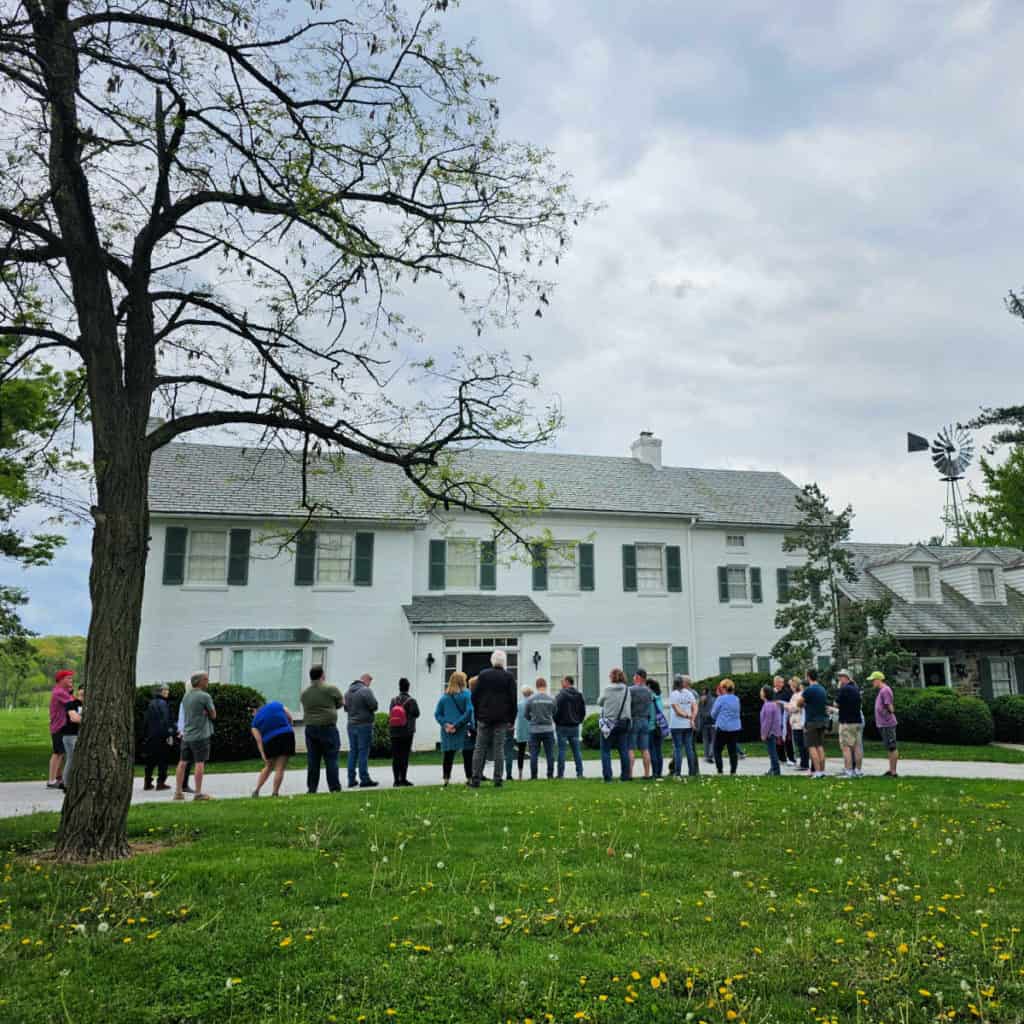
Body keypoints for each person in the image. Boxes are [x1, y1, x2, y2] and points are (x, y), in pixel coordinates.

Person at [469, 649, 517, 788]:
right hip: (502, 718)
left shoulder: (483, 675)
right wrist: (512, 719)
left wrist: (478, 713)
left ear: (492, 661)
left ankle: (475, 779)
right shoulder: (509, 677)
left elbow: (475, 696)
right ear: (504, 662)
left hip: (484, 717)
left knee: (479, 748)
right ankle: (498, 779)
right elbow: (513, 700)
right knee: (499, 748)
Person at [299, 664, 344, 794]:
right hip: (328, 728)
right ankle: (334, 788)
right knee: (331, 759)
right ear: (322, 675)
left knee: (313, 760)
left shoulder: (305, 693)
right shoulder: (331, 689)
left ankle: (312, 788)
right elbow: (341, 703)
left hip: (310, 728)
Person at [174, 671, 216, 801]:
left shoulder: (186, 697)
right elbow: (213, 714)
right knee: (199, 762)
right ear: (200, 681)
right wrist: (206, 712)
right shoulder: (205, 696)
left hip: (187, 735)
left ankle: (178, 792)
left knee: (182, 762)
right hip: (201, 735)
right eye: (206, 679)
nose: (208, 681)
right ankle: (198, 793)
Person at [435, 671, 474, 786]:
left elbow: (437, 714)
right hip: (462, 729)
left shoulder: (444, 697)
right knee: (467, 754)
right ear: (462, 681)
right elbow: (469, 711)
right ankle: (469, 777)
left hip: (447, 731)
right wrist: (456, 725)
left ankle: (446, 779)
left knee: (448, 755)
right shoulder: (467, 694)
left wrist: (446, 725)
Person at [250, 699, 295, 797]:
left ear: (254, 710)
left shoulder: (254, 722)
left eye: (251, 713)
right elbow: (290, 717)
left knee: (269, 766)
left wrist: (263, 755)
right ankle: (275, 793)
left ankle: (256, 790)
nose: (252, 715)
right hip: (287, 735)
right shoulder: (276, 704)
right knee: (280, 768)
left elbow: (259, 741)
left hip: (270, 740)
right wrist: (289, 727)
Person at [344, 673, 379, 788]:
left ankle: (351, 779)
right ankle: (364, 779)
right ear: (366, 680)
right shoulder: (365, 691)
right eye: (370, 682)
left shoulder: (348, 692)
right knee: (363, 751)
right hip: (364, 725)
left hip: (351, 725)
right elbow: (374, 706)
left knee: (353, 751)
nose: (370, 684)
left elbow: (345, 708)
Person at [598, 668, 632, 782]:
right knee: (623, 750)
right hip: (623, 722)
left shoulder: (607, 689)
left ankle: (608, 777)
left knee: (605, 750)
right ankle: (625, 776)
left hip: (609, 722)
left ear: (612, 677)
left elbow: (600, 702)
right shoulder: (627, 690)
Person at [796, 668, 828, 779]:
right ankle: (822, 771)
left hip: (812, 721)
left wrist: (804, 704)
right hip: (822, 720)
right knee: (820, 746)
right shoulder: (822, 689)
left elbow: (799, 703)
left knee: (811, 746)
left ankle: (817, 772)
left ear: (808, 677)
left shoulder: (809, 690)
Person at [388, 677, 420, 787]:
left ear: (399, 687)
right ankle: (404, 779)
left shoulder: (393, 700)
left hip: (394, 731)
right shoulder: (411, 701)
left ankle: (396, 780)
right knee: (404, 755)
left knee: (396, 756)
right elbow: (417, 714)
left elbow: (391, 713)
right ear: (408, 687)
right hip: (407, 732)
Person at [143, 684, 175, 790]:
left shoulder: (151, 704)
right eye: (166, 690)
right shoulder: (164, 704)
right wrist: (169, 734)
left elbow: (146, 721)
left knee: (150, 760)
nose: (168, 692)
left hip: (151, 735)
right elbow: (166, 721)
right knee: (163, 760)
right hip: (162, 736)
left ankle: (147, 782)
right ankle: (160, 783)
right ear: (161, 692)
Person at [47, 669, 75, 789]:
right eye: (68, 678)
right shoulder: (59, 692)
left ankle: (58, 778)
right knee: (57, 753)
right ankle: (51, 780)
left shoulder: (63, 691)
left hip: (62, 726)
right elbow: (74, 703)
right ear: (61, 680)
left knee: (62, 752)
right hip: (59, 726)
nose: (71, 680)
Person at [554, 675, 586, 779]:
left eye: (562, 681)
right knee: (577, 751)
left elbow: (555, 710)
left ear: (567, 682)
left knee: (562, 750)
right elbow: (582, 711)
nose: (561, 683)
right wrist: (578, 720)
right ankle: (580, 773)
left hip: (562, 726)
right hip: (574, 726)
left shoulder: (560, 695)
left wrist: (557, 721)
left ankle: (560, 774)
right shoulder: (579, 695)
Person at [525, 677, 557, 780]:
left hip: (534, 729)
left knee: (534, 754)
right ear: (545, 685)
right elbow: (555, 712)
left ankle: (534, 776)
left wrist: (532, 719)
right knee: (550, 753)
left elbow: (526, 714)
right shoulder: (551, 699)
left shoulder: (531, 699)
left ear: (537, 686)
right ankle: (550, 775)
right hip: (548, 728)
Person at [834, 669, 863, 778]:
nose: (839, 679)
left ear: (846, 678)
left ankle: (848, 771)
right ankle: (858, 771)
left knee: (846, 747)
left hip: (846, 722)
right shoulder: (856, 688)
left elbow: (836, 703)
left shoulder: (844, 689)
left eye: (841, 677)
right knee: (857, 747)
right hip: (857, 721)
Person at [870, 671, 899, 777]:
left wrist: (887, 712)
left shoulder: (885, 690)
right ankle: (891, 769)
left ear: (878, 680)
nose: (872, 682)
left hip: (888, 724)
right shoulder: (881, 690)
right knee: (889, 747)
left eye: (873, 680)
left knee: (892, 747)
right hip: (883, 724)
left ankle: (893, 771)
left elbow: (889, 706)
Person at [668, 674, 699, 778]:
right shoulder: (689, 693)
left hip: (676, 725)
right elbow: (695, 707)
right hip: (688, 725)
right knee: (689, 748)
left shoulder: (673, 694)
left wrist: (688, 716)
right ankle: (692, 772)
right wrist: (692, 718)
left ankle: (677, 773)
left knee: (678, 749)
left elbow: (677, 711)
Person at [710, 678, 742, 775]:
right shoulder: (736, 699)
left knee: (717, 749)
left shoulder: (721, 699)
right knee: (732, 750)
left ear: (723, 688)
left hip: (722, 727)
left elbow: (713, 714)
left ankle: (720, 771)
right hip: (735, 728)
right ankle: (733, 771)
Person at [628, 669, 653, 780]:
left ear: (638, 677)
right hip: (645, 720)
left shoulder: (631, 690)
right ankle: (647, 774)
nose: (633, 678)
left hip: (634, 719)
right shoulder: (649, 691)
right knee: (645, 749)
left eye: (634, 676)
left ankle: (629, 774)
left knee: (630, 748)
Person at [61, 684, 84, 789]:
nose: (83, 691)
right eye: (82, 689)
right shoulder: (71, 704)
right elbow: (74, 718)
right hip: (70, 735)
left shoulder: (91, 705)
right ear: (78, 691)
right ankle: (66, 784)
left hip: (81, 735)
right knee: (72, 758)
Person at [772, 676, 797, 767]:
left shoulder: (788, 692)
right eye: (776, 682)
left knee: (788, 739)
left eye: (780, 682)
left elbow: (791, 704)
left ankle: (791, 758)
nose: (778, 684)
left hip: (786, 719)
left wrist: (781, 703)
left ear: (783, 683)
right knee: (778, 739)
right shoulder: (772, 692)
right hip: (775, 720)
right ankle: (781, 758)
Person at [759, 685, 783, 775]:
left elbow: (767, 722)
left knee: (772, 752)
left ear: (765, 694)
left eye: (761, 691)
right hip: (773, 732)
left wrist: (764, 734)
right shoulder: (773, 704)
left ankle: (776, 770)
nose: (760, 693)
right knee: (772, 751)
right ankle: (772, 769)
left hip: (770, 733)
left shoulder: (768, 705)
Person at [176, 679, 194, 793]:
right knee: (186, 761)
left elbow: (181, 718)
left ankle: (183, 784)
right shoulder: (188, 700)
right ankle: (183, 784)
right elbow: (182, 717)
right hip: (189, 733)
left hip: (186, 732)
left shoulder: (185, 700)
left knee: (186, 761)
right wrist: (182, 731)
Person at [787, 678, 809, 772]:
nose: (790, 687)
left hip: (799, 723)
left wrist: (788, 707)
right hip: (795, 722)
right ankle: (803, 762)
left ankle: (804, 764)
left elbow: (796, 707)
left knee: (801, 744)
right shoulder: (795, 695)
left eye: (791, 685)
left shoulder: (800, 695)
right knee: (799, 744)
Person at [647, 679, 667, 779]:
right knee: (659, 750)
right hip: (660, 727)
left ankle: (655, 773)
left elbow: (649, 714)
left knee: (652, 750)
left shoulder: (650, 698)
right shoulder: (659, 697)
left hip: (651, 726)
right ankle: (659, 772)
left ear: (649, 686)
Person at [513, 686, 533, 780]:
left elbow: (515, 717)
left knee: (520, 752)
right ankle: (534, 772)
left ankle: (520, 773)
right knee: (534, 751)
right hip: (532, 729)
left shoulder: (519, 704)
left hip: (521, 729)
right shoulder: (533, 704)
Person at [697, 687, 715, 763]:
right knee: (711, 740)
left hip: (707, 723)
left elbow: (700, 713)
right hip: (712, 723)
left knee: (707, 740)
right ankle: (709, 755)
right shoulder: (713, 699)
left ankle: (707, 755)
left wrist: (699, 725)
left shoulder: (701, 701)